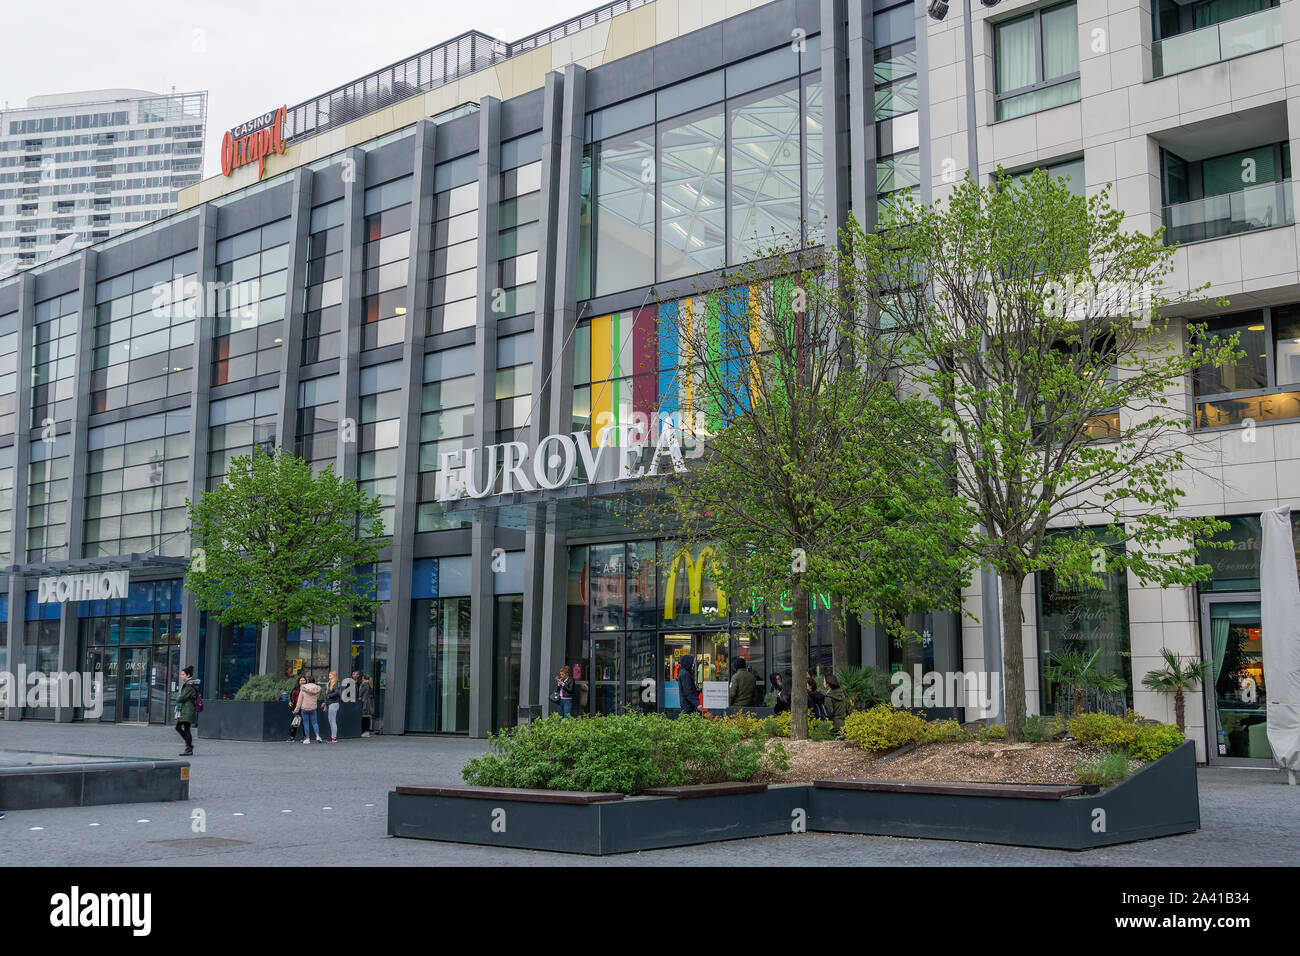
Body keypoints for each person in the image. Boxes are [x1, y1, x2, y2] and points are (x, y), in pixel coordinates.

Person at [174, 665, 199, 756]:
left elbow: (183, 697)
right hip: (186, 710)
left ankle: (189, 747)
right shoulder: (189, 684)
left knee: (181, 728)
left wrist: (177, 699)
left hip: (187, 710)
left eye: (183, 674)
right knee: (184, 728)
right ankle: (189, 746)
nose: (181, 676)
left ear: (188, 675)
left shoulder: (189, 686)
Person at [294, 677, 324, 744]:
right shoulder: (317, 688)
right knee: (315, 723)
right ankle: (318, 736)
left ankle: (307, 739)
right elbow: (317, 697)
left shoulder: (303, 688)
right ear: (314, 681)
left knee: (306, 723)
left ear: (308, 681)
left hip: (304, 708)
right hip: (313, 708)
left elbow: (299, 700)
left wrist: (296, 709)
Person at [287, 675, 307, 742]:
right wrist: (290, 701)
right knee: (294, 721)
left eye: (304, 680)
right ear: (298, 681)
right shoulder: (295, 688)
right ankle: (292, 737)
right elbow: (290, 695)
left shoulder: (307, 688)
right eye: (301, 680)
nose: (302, 681)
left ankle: (305, 737)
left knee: (304, 722)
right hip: (296, 705)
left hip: (304, 706)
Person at [324, 671, 342, 742]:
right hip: (331, 703)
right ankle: (333, 737)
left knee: (332, 721)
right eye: (329, 675)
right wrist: (326, 702)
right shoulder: (331, 683)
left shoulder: (335, 683)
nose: (329, 676)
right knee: (331, 720)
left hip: (333, 703)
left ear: (334, 676)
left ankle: (333, 738)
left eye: (330, 675)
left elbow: (337, 693)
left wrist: (329, 696)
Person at [355, 671, 374, 737]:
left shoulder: (364, 684)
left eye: (362, 678)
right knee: (367, 717)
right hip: (369, 703)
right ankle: (367, 731)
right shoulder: (370, 684)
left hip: (364, 702)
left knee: (364, 717)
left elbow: (360, 693)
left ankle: (364, 731)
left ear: (364, 678)